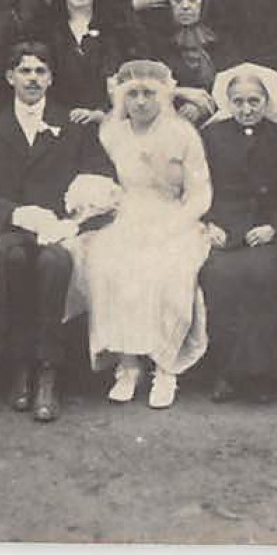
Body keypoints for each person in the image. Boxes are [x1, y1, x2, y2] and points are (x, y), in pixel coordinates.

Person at [65, 60, 212, 409]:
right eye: (133, 94)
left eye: (149, 93)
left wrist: (173, 226)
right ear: (121, 98)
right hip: (127, 214)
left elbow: (200, 193)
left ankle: (164, 367)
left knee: (166, 268)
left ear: (163, 95)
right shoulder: (113, 133)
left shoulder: (183, 135)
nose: (141, 102)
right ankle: (127, 363)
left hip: (174, 216)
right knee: (107, 263)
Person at [0, 42, 106, 423]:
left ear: (51, 79)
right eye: (25, 71)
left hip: (62, 228)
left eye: (40, 72)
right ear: (10, 77)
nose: (32, 79)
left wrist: (73, 217)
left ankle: (49, 370)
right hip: (13, 224)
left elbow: (95, 176)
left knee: (54, 262)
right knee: (9, 257)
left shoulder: (72, 125)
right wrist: (16, 213)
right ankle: (19, 367)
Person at [198, 64, 277, 403]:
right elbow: (199, 187)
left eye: (254, 102)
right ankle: (225, 373)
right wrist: (208, 223)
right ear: (228, 103)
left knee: (266, 275)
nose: (247, 110)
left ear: (266, 101)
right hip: (225, 231)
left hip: (267, 231)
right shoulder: (211, 137)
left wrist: (275, 226)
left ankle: (264, 376)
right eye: (239, 102)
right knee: (220, 277)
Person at [37, 0, 141, 122]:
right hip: (57, 122)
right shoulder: (44, 28)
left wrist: (105, 113)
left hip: (111, 121)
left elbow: (136, 76)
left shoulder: (119, 27)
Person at [153, 0, 241, 125]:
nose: (185, 6)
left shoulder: (221, 39)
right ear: (168, 3)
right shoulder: (154, 41)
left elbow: (235, 80)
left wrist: (204, 105)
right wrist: (181, 95)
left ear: (204, 1)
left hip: (218, 118)